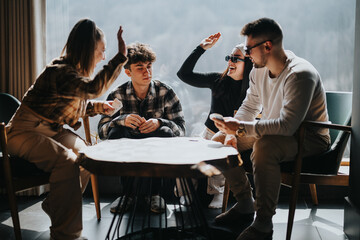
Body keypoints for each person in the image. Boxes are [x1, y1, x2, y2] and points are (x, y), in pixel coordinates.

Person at [5, 19, 127, 240]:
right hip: (23, 131)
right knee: (67, 162)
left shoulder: (73, 75)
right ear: (89, 49)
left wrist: (100, 107)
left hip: (50, 129)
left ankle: (56, 205)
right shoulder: (61, 72)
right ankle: (66, 235)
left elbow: (78, 101)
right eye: (102, 50)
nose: (103, 57)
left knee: (87, 155)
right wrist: (120, 57)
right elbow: (92, 89)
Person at [211, 18, 330, 240]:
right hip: (277, 133)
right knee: (218, 140)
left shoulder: (300, 74)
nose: (246, 55)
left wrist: (241, 129)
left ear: (267, 46)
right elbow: (249, 107)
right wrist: (232, 132)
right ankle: (245, 202)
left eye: (249, 49)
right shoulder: (259, 70)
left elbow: (287, 126)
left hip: (310, 137)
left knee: (265, 146)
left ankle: (263, 223)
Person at [98, 42, 185, 213]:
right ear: (128, 72)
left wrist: (160, 123)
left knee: (166, 132)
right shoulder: (117, 94)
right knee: (117, 131)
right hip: (128, 148)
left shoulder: (165, 92)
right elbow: (102, 132)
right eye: (140, 68)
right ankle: (128, 195)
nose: (147, 72)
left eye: (149, 66)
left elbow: (181, 131)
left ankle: (154, 195)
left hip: (156, 148)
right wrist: (122, 120)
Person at [177, 33, 252, 208]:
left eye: (236, 59)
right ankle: (186, 191)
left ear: (247, 63)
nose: (230, 62)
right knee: (184, 151)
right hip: (208, 131)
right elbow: (184, 74)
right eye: (229, 57)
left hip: (236, 133)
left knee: (223, 146)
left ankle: (218, 191)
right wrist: (201, 48)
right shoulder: (218, 80)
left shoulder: (252, 89)